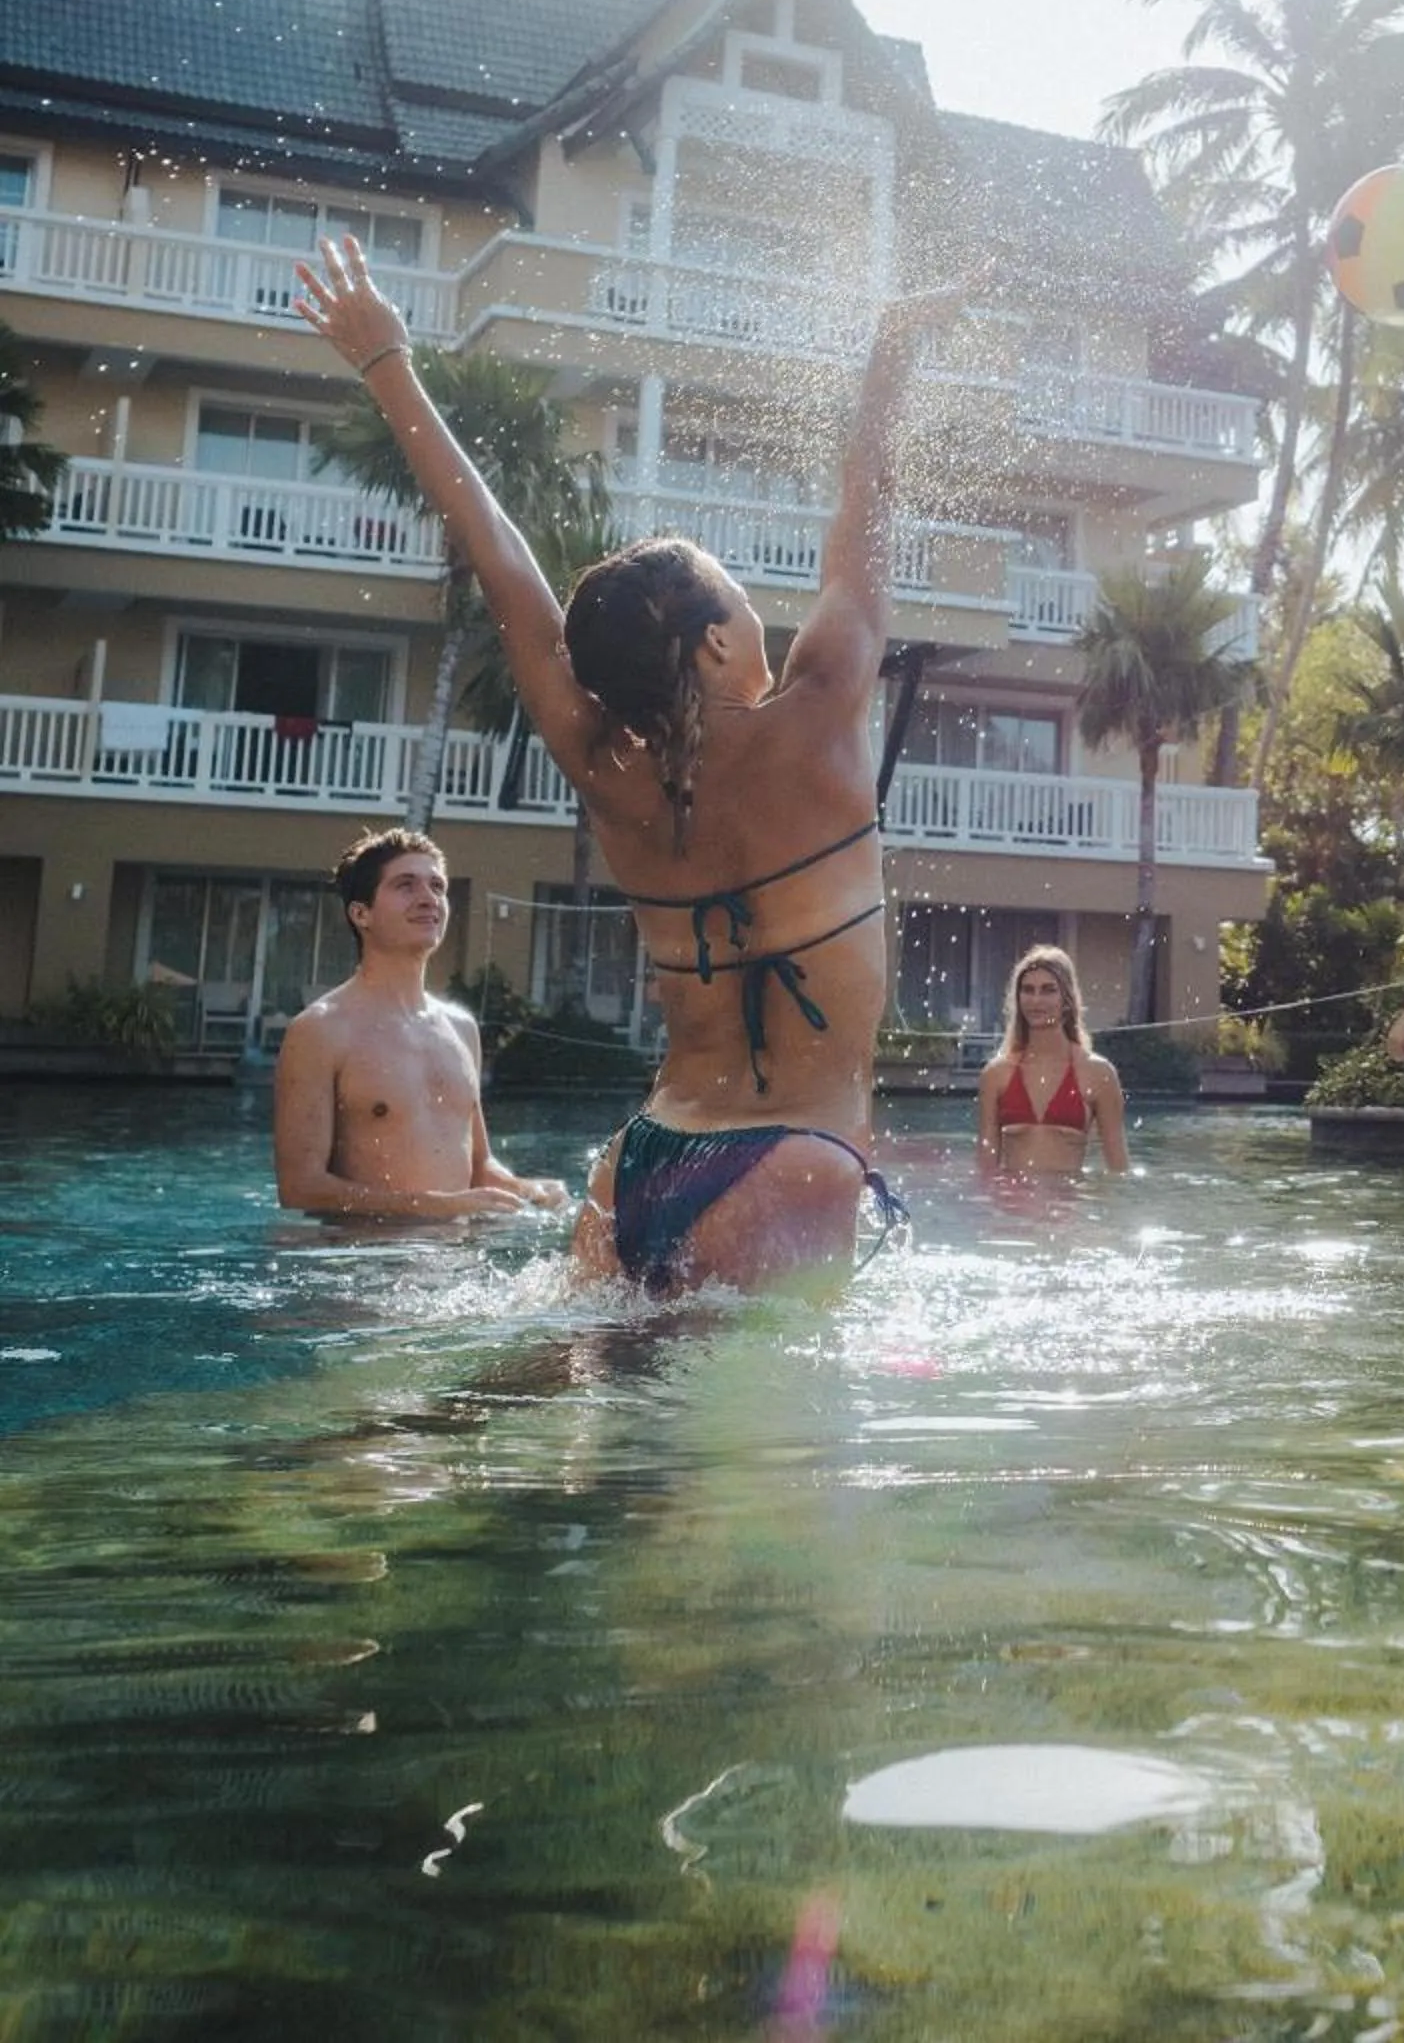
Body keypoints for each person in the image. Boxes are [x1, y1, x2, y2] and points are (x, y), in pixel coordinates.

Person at [294, 233, 952, 1295]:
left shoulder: (608, 769)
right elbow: (865, 505)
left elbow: (502, 564)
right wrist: (887, 364)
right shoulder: (821, 718)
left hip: (641, 1157)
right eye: (741, 599)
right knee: (748, 1456)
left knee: (590, 1407)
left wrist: (387, 365)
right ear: (719, 644)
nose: (759, 616)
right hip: (795, 1160)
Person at [273, 827, 572, 1220]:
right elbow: (300, 1188)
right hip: (363, 1265)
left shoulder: (461, 1028)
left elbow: (480, 1166)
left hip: (451, 1265)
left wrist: (526, 1189)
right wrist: (430, 1207)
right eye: (406, 885)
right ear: (361, 913)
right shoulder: (320, 1031)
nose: (428, 898)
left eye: (437, 886)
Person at [976, 945, 1129, 1174]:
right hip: (1010, 1206)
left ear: (1067, 999)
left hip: (1069, 1204)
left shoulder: (1098, 1074)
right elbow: (985, 1170)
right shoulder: (996, 1074)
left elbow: (1119, 1170)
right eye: (1028, 990)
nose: (1036, 1000)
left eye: (1048, 990)